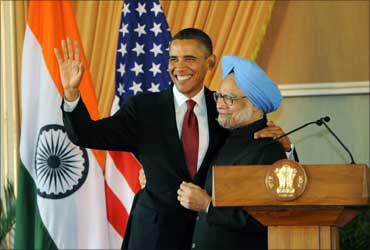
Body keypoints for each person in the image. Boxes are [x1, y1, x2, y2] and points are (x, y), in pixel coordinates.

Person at [55, 28, 293, 249]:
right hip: (152, 235)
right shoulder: (144, 108)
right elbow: (87, 134)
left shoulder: (223, 108)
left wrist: (285, 144)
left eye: (189, 58)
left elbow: (255, 155)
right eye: (173, 59)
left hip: (205, 234)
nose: (179, 67)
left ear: (210, 62)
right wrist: (72, 93)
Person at [176, 55, 287, 249]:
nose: (219, 105)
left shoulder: (268, 149)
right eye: (219, 96)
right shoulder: (224, 138)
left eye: (229, 99)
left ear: (255, 105)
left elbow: (262, 220)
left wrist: (207, 205)